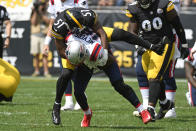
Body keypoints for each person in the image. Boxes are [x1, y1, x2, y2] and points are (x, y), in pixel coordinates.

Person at [50, 7, 166, 126]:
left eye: (82, 25)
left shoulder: (88, 15)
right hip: (74, 50)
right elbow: (60, 51)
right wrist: (78, 60)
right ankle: (59, 107)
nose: (80, 28)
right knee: (70, 81)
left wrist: (104, 53)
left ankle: (142, 111)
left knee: (118, 83)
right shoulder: (59, 27)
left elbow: (103, 33)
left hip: (95, 42)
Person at [126, 0, 189, 121]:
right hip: (146, 44)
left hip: (164, 43)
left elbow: (177, 24)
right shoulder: (134, 8)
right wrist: (137, 45)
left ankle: (150, 109)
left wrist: (184, 44)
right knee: (151, 76)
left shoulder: (163, 4)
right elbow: (132, 31)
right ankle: (165, 103)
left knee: (154, 76)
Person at [44, 0, 88, 111]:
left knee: (77, 71)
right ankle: (68, 102)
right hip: (62, 41)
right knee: (65, 72)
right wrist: (46, 42)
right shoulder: (53, 1)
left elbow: (86, 21)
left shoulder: (78, 1)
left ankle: (80, 97)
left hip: (77, 39)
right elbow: (52, 23)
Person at [30, 0, 51, 77]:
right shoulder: (34, 12)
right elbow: (33, 23)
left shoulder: (48, 12)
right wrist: (35, 11)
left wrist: (41, 13)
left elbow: (49, 22)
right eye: (40, 4)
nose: (41, 6)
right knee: (36, 55)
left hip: (44, 35)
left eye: (42, 4)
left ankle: (46, 72)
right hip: (35, 34)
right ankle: (37, 71)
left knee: (45, 55)